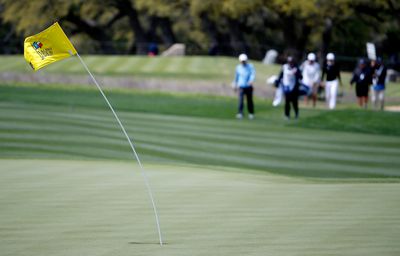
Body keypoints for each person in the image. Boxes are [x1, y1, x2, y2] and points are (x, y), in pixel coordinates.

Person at [233, 53, 255, 119]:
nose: (243, 62)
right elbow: (236, 77)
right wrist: (234, 84)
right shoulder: (238, 67)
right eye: (242, 61)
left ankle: (251, 113)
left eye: (244, 61)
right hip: (241, 86)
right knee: (241, 101)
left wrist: (251, 80)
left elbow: (252, 74)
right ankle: (240, 113)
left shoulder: (250, 66)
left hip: (248, 86)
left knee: (249, 101)